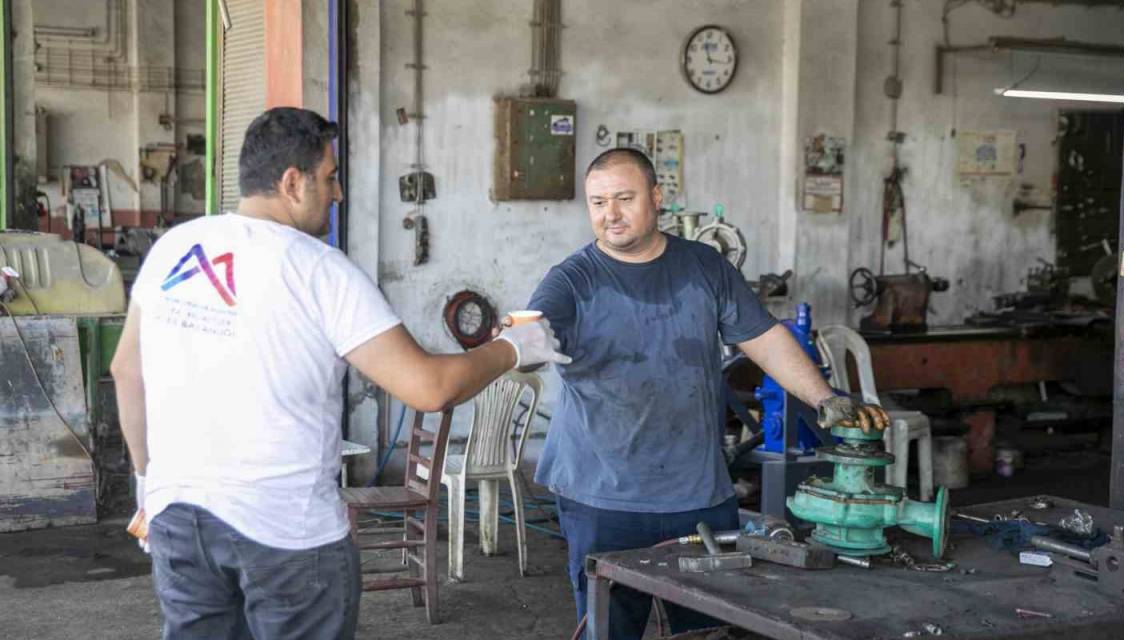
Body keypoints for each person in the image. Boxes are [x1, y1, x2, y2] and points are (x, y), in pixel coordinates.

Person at [109, 107, 570, 640]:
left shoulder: (174, 247)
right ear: (291, 182)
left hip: (178, 519)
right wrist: (514, 348)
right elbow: (429, 388)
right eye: (329, 177)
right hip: (286, 536)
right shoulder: (319, 270)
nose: (339, 193)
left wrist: (149, 483)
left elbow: (126, 371)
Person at [527, 148, 888, 639]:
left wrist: (824, 396)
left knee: (711, 631)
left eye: (624, 198)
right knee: (609, 632)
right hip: (603, 498)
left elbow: (762, 338)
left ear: (657, 198)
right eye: (597, 202)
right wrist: (516, 342)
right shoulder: (572, 279)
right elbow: (530, 333)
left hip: (697, 496)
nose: (609, 214)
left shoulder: (705, 267)